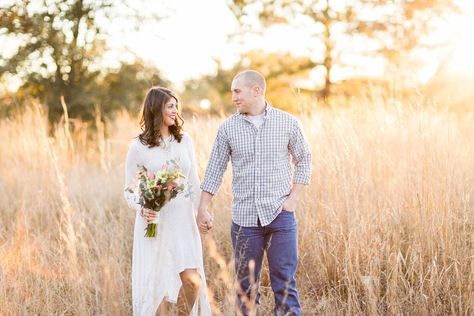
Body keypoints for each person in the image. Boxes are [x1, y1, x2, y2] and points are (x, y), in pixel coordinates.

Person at [197, 70, 312, 315]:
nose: (233, 98)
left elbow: (304, 159)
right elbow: (215, 169)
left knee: (285, 282)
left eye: (237, 91)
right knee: (245, 286)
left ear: (256, 90)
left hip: (281, 216)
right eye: (232, 92)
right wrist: (203, 207)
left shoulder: (288, 122)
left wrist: (293, 199)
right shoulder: (228, 128)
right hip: (244, 220)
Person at [124, 87, 212, 316]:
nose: (176, 110)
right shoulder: (138, 147)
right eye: (170, 106)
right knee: (157, 285)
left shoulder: (184, 141)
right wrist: (142, 207)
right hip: (155, 224)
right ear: (156, 108)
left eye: (176, 105)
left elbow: (194, 181)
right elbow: (129, 189)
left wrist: (202, 212)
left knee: (192, 282)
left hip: (183, 220)